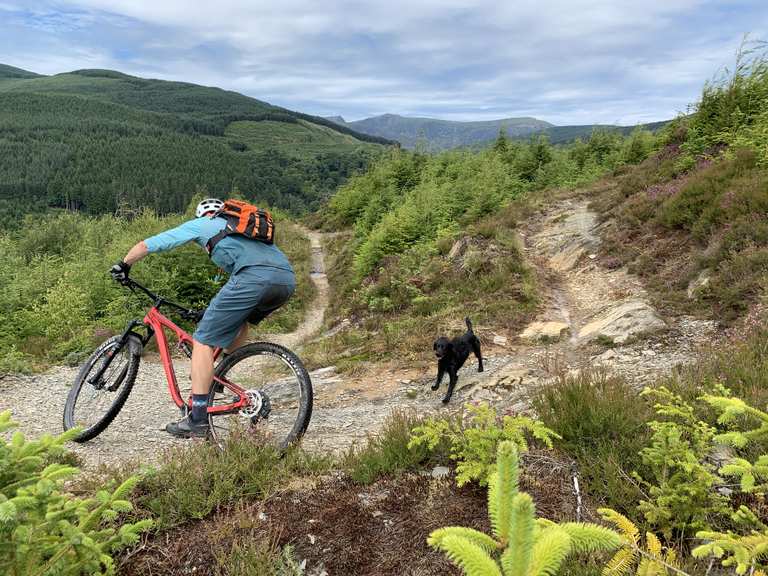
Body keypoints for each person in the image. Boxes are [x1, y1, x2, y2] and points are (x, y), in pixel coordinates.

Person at [110, 198, 295, 438]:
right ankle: (218, 376)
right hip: (285, 280)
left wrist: (123, 265)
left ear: (203, 215)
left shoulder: (201, 225)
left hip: (253, 279)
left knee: (203, 341)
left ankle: (197, 419)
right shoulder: (243, 230)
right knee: (240, 323)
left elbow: (148, 245)